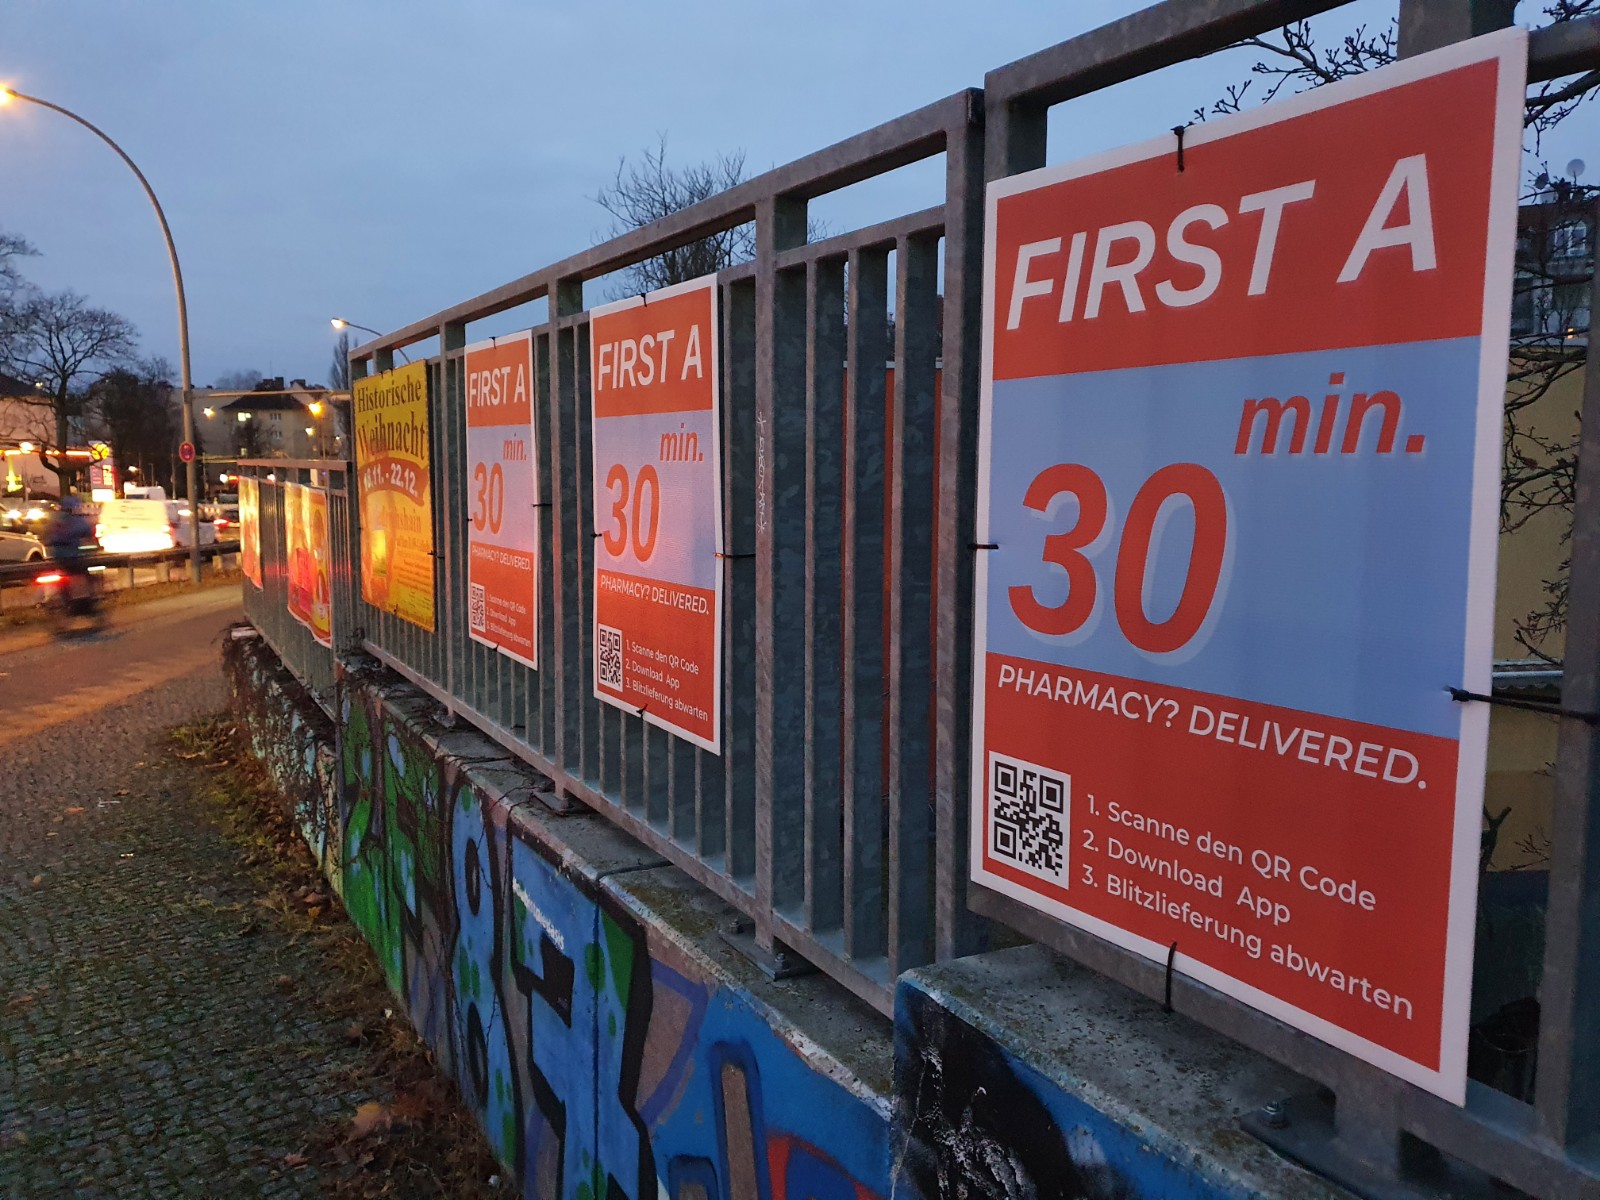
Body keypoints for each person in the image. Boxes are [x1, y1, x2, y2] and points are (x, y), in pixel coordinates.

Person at [41, 496, 99, 617]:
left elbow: (46, 535)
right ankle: (86, 602)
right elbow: (86, 530)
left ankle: (67, 602)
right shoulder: (75, 520)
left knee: (65, 579)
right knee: (85, 576)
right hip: (72, 556)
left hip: (57, 556)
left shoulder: (55, 518)